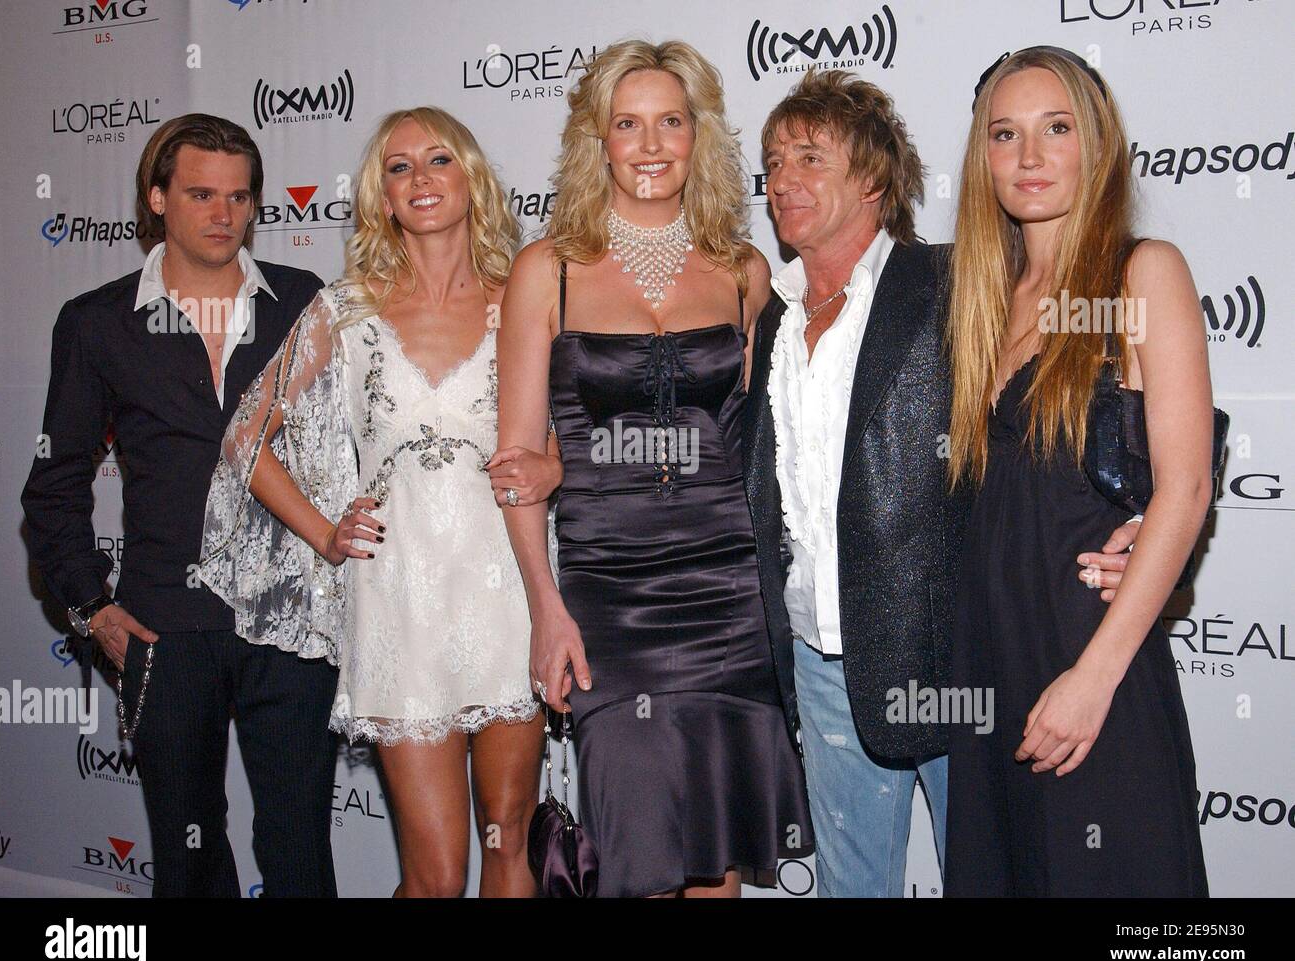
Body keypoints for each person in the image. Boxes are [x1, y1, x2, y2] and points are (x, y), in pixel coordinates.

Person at [744, 69, 1141, 898]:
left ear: (874, 180)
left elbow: (1113, 353)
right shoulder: (771, 313)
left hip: (954, 661)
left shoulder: (958, 281)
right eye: (775, 161)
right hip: (821, 665)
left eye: (812, 158)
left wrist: (1151, 499)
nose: (784, 180)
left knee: (992, 878)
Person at [198, 107, 562, 897]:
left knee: (511, 845)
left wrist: (551, 471)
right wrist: (326, 533)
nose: (420, 179)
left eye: (438, 159)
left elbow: (560, 434)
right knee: (433, 876)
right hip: (399, 603)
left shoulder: (523, 299)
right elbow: (245, 440)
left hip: (507, 593)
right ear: (380, 197)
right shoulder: (346, 309)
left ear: (472, 179)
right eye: (399, 168)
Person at [498, 39, 813, 898]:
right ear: (595, 141)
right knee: (636, 860)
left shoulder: (746, 274)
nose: (649, 144)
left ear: (698, 136)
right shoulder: (546, 272)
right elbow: (518, 466)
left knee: (717, 863)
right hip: (609, 600)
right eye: (626, 124)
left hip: (731, 595)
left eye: (669, 122)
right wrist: (546, 610)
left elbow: (766, 442)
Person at [21, 114, 336, 897]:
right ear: (157, 198)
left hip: (290, 618)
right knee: (189, 855)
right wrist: (90, 607)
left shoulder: (302, 301)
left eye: (238, 197)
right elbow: (54, 485)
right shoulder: (97, 322)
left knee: (299, 851)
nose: (223, 214)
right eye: (200, 194)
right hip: (165, 620)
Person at [943, 47, 1211, 896]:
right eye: (1005, 135)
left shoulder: (1142, 272)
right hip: (992, 671)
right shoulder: (986, 298)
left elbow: (1188, 486)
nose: (1028, 158)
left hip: (1091, 661)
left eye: (1055, 129)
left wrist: (1092, 682)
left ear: (1095, 145)